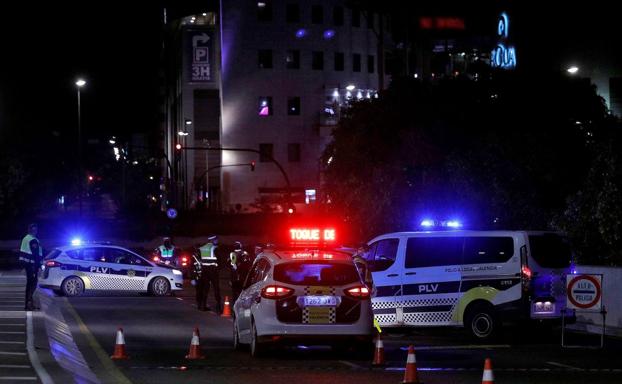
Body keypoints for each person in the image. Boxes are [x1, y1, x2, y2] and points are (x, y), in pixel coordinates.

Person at [194, 235, 222, 313]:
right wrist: (218, 268)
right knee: (216, 288)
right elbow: (220, 261)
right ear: (212, 240)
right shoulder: (215, 248)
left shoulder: (202, 248)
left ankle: (203, 306)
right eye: (216, 240)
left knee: (205, 288)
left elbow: (199, 259)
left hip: (204, 270)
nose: (217, 241)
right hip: (213, 270)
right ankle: (218, 307)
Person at [19, 223, 42, 311]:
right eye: (35, 230)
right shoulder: (33, 240)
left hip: (27, 265)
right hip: (32, 266)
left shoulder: (25, 238)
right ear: (33, 231)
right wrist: (39, 266)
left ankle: (29, 304)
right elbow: (36, 255)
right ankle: (28, 304)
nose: (35, 232)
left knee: (30, 285)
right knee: (32, 285)